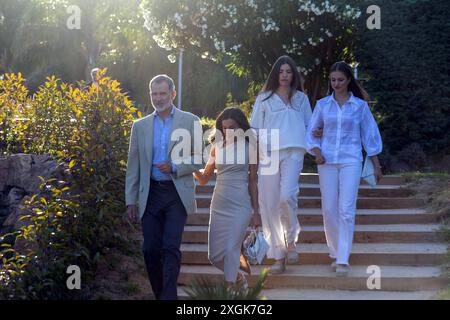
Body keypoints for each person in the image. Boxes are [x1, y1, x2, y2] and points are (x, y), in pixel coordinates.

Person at [125, 74, 203, 300]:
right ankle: (161, 294)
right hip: (150, 194)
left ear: (173, 94)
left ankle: (169, 298)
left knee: (170, 247)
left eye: (162, 93)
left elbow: (200, 158)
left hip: (176, 194)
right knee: (149, 250)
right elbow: (133, 165)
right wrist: (130, 199)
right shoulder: (139, 126)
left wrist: (175, 166)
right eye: (154, 94)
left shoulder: (191, 121)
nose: (158, 98)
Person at [306, 61, 383, 276]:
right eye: (333, 80)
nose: (336, 84)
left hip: (351, 160)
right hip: (327, 162)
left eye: (340, 80)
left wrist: (376, 165)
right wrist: (317, 153)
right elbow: (311, 132)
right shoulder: (322, 105)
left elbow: (370, 136)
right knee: (329, 209)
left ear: (349, 80)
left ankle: (343, 259)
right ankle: (334, 253)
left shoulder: (360, 106)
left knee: (346, 209)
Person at [250, 55, 312, 274]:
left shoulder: (302, 99)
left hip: (294, 152)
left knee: (287, 196)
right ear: (275, 74)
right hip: (268, 154)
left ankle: (291, 242)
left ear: (293, 74)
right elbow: (255, 129)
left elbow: (310, 126)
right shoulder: (264, 98)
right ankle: (278, 256)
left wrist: (318, 149)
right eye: (281, 71)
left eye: (288, 72)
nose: (285, 75)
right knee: (268, 203)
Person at [193, 107, 260, 286]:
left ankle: (230, 290)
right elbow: (204, 179)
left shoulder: (251, 147)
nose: (227, 131)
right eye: (224, 128)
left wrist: (256, 212)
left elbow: (253, 181)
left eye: (232, 127)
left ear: (241, 126)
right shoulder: (216, 147)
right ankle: (238, 277)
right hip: (219, 205)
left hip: (240, 205)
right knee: (214, 256)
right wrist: (190, 166)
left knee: (231, 249)